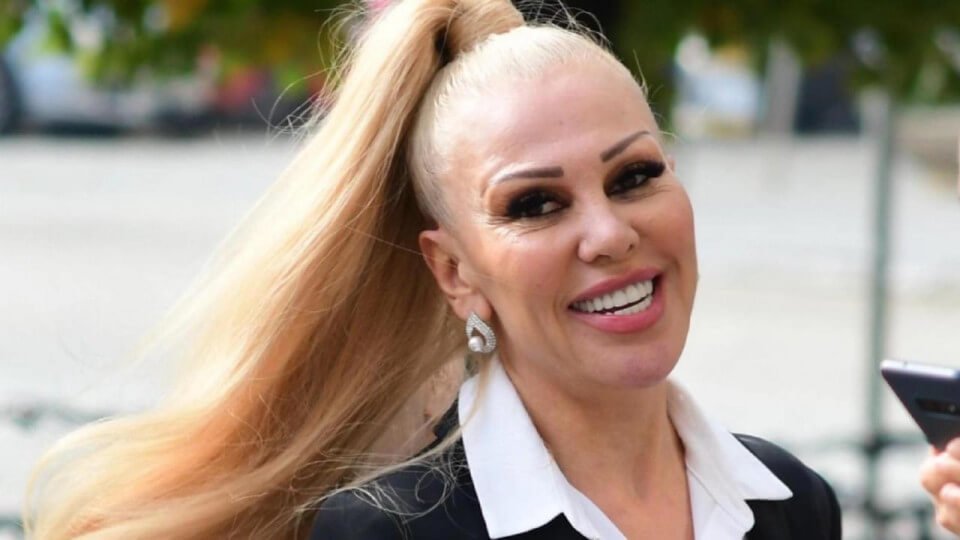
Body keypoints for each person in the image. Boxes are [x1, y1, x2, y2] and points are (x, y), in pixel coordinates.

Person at [24, 0, 842, 538]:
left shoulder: (795, 503)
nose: (608, 234)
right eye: (535, 204)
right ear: (453, 271)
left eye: (634, 177)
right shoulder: (390, 533)